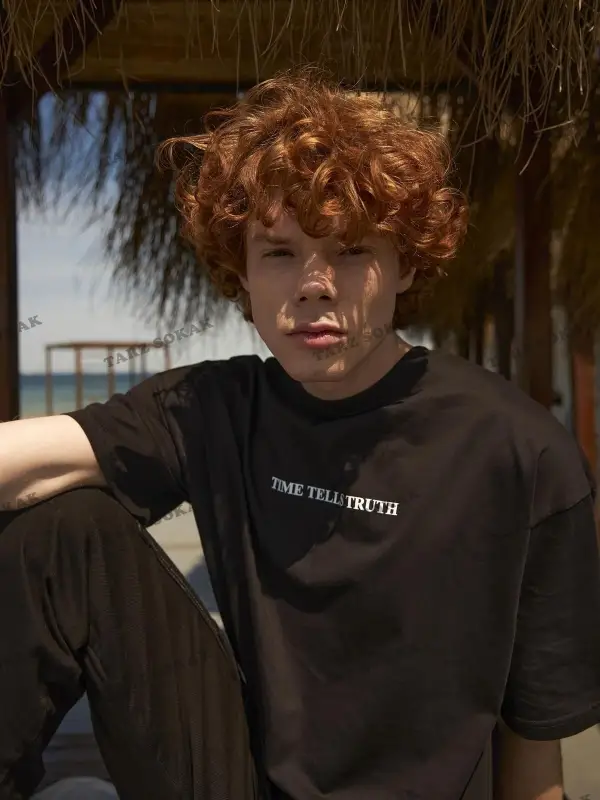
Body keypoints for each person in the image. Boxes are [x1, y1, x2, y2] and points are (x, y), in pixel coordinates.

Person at [1, 67, 599, 800]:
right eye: (279, 253)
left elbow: (536, 749)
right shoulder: (219, 407)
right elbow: (26, 459)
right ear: (243, 274)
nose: (314, 284)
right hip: (239, 784)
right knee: (64, 533)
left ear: (404, 263)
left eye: (352, 250)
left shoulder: (520, 452)